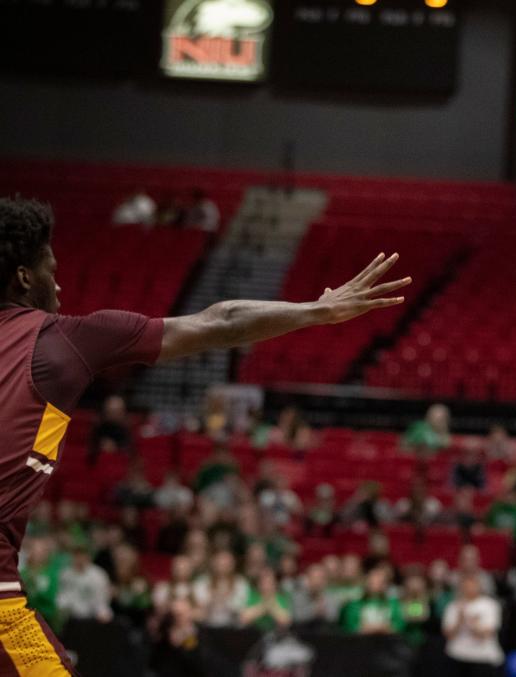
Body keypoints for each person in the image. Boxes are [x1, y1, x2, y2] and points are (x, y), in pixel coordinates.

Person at [0, 197, 410, 674]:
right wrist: (318, 309)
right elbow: (221, 320)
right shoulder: (64, 339)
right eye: (51, 268)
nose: (61, 281)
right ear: (25, 278)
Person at [442, 574, 503, 676]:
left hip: (482, 658)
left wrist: (471, 622)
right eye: (465, 586)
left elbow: (486, 634)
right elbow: (448, 635)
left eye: (472, 585)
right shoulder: (453, 606)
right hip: (457, 655)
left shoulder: (490, 605)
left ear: (479, 586)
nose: (469, 588)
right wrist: (459, 620)